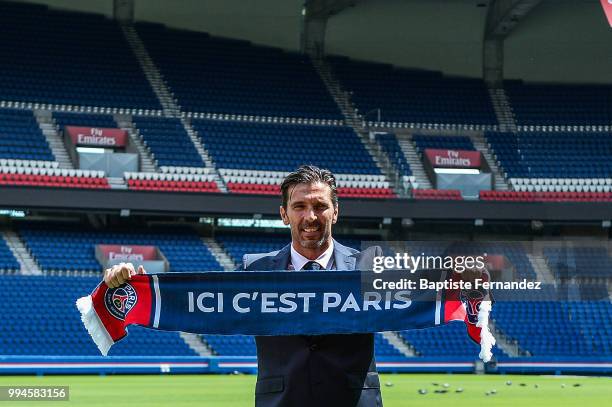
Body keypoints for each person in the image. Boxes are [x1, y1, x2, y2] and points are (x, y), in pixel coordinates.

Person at [103, 165, 383, 407]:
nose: (310, 216)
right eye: (300, 207)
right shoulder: (256, 269)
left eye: (320, 206)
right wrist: (138, 286)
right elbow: (200, 302)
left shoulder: (371, 266)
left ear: (335, 212)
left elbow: (426, 293)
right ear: (284, 214)